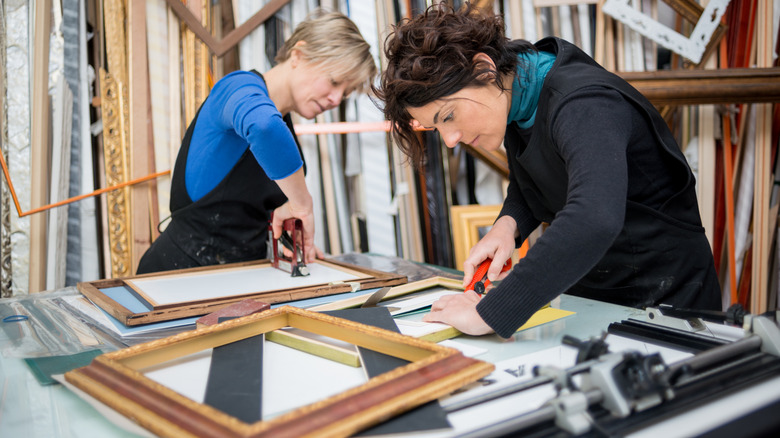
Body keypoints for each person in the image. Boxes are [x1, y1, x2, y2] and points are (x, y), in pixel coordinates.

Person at [374, 4, 721, 338]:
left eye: (448, 116)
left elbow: (593, 217)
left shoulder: (584, 103)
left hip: (666, 293)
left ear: (484, 68)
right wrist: (507, 226)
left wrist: (490, 312)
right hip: (595, 290)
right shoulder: (515, 94)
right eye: (436, 128)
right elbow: (539, 177)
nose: (450, 140)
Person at [137, 11, 376, 274]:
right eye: (334, 81)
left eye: (345, 93)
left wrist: (285, 238)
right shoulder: (238, 87)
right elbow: (263, 126)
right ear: (298, 55)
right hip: (178, 276)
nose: (336, 99)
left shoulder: (283, 124)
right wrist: (303, 203)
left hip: (238, 277)